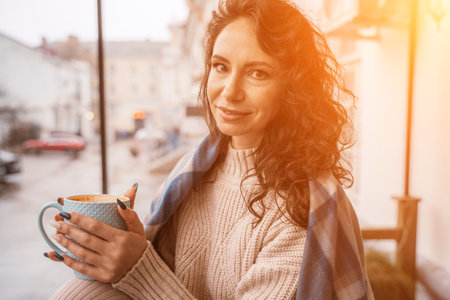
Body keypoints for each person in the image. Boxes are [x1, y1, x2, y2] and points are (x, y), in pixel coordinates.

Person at [45, 0, 373, 299]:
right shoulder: (195, 170)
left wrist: (138, 268)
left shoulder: (302, 205)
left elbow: (147, 277)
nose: (229, 92)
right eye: (221, 66)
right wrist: (131, 245)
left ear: (292, 89)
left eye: (257, 73)